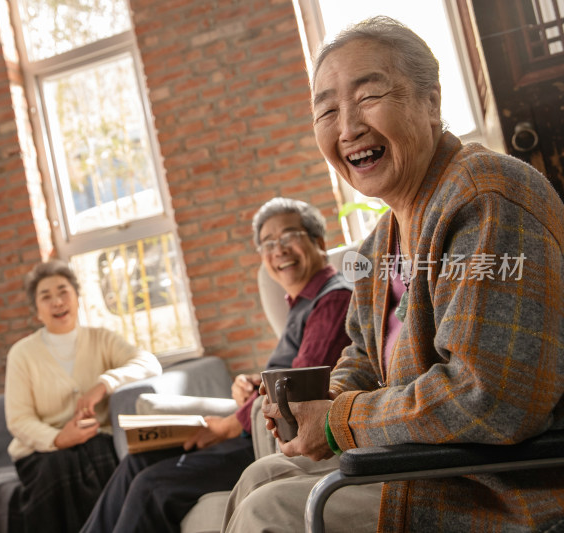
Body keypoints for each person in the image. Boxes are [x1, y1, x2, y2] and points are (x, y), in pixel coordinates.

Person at [223, 16, 564, 533]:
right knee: (261, 475)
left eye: (367, 97)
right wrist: (322, 399)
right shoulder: (380, 243)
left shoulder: (486, 196)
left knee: (267, 511)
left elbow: (490, 398)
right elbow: (362, 357)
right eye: (328, 110)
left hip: (492, 488)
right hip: (418, 461)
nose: (347, 127)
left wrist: (340, 423)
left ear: (431, 102)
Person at [80, 197, 354, 533]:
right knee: (134, 463)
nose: (278, 250)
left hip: (267, 443)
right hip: (254, 428)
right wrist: (256, 385)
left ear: (319, 242)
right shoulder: (303, 305)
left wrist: (223, 427)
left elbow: (296, 391)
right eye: (268, 243)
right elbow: (297, 373)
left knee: (153, 486)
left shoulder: (333, 300)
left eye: (288, 237)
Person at [4, 259, 162, 533]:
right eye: (46, 297)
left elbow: (149, 363)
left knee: (101, 455)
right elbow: (18, 419)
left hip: (94, 440)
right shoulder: (21, 354)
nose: (57, 302)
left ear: (77, 298)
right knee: (60, 464)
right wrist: (58, 438)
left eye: (63, 291)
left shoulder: (101, 338)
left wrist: (103, 384)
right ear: (37, 311)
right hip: (42, 452)